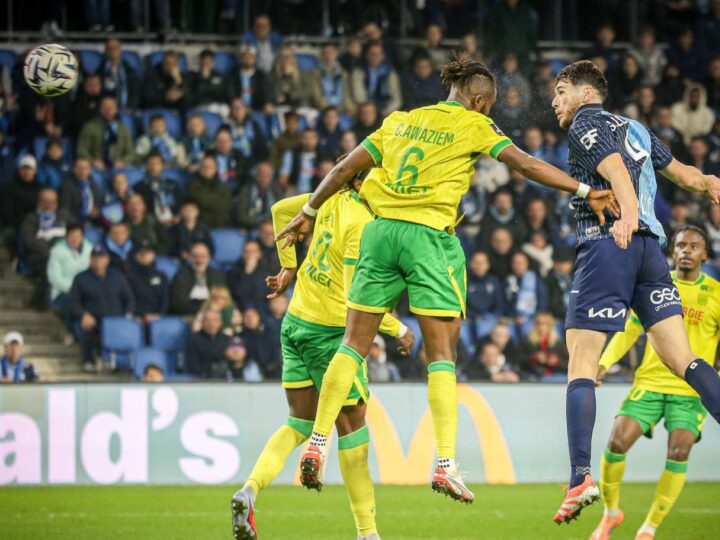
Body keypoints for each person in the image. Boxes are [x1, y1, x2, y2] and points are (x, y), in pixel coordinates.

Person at [277, 58, 617, 504]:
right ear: (479, 100)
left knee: (351, 345)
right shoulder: (475, 125)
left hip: (378, 234)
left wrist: (306, 213)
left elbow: (341, 172)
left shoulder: (401, 120)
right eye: (489, 107)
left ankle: (319, 442)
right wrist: (582, 190)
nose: (489, 115)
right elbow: (527, 165)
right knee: (441, 354)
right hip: (428, 239)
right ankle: (444, 463)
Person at [550, 60, 720, 524]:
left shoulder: (586, 122)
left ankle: (580, 476)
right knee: (681, 357)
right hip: (651, 253)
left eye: (561, 90)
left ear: (587, 93)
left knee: (580, 362)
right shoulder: (636, 127)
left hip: (611, 243)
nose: (554, 100)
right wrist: (706, 183)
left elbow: (614, 171)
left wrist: (624, 213)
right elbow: (682, 172)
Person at [230, 166, 415, 540]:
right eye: (381, 178)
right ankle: (368, 533)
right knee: (353, 428)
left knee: (298, 421)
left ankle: (249, 490)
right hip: (329, 336)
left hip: (295, 322)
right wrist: (399, 328)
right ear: (360, 182)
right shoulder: (362, 224)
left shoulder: (330, 197)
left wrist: (288, 267)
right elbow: (354, 298)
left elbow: (282, 211)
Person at [591, 226, 720, 540]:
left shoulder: (719, 294)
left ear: (705, 253)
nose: (686, 251)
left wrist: (717, 385)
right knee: (616, 443)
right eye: (680, 245)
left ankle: (648, 528)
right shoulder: (657, 285)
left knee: (679, 450)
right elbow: (630, 330)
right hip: (649, 382)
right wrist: (603, 363)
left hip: (690, 392)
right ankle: (611, 513)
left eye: (694, 246)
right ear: (672, 251)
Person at [70, 246, 135, 371]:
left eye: (101, 258)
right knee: (85, 327)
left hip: (115, 320)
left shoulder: (118, 277)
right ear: (90, 260)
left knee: (124, 329)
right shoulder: (81, 278)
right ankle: (88, 360)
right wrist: (83, 315)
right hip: (93, 319)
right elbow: (74, 302)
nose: (98, 261)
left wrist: (127, 316)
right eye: (95, 258)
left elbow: (129, 299)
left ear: (107, 260)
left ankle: (115, 361)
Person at [169, 241, 226, 316]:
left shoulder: (217, 275)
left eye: (203, 256)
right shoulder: (181, 275)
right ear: (190, 257)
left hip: (214, 315)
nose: (199, 260)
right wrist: (204, 308)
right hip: (189, 315)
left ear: (209, 258)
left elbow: (223, 299)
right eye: (196, 256)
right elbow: (178, 304)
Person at [76, 97, 133, 169]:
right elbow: (81, 150)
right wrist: (93, 161)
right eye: (105, 108)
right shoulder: (89, 127)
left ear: (116, 110)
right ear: (100, 109)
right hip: (95, 167)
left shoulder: (123, 129)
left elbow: (130, 153)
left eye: (111, 108)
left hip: (117, 168)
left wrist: (123, 162)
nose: (108, 111)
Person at [126, 240, 169, 325]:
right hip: (136, 320)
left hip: (158, 320)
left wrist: (158, 315)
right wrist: (140, 316)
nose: (144, 255)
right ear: (136, 255)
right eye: (141, 253)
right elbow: (129, 299)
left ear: (153, 254)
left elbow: (165, 300)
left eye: (148, 252)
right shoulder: (128, 276)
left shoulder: (161, 276)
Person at [187, 153, 233, 228]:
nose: (207, 169)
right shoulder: (192, 185)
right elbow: (201, 200)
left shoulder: (223, 186)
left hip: (221, 224)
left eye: (210, 167)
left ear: (216, 169)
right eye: (204, 167)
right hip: (200, 225)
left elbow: (224, 206)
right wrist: (215, 200)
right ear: (199, 169)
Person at [227, 240, 269, 314]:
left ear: (259, 254)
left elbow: (262, 295)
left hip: (262, 312)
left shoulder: (267, 273)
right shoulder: (233, 272)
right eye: (246, 252)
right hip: (240, 311)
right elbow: (239, 296)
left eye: (253, 252)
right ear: (242, 254)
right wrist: (247, 273)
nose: (249, 255)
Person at [58, 158, 103, 225]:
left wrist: (97, 211)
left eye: (85, 168)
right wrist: (79, 223)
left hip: (93, 221)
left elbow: (100, 204)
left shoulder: (94, 185)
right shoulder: (67, 186)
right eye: (79, 168)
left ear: (90, 170)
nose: (82, 171)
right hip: (75, 223)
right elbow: (65, 209)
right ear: (74, 169)